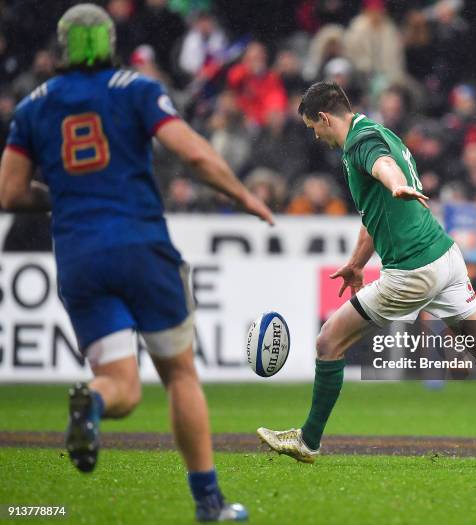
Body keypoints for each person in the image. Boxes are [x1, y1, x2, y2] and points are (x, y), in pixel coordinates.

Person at [0, 4, 274, 522]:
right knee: (179, 374)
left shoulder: (32, 107)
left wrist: (63, 195)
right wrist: (243, 196)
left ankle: (94, 403)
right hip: (142, 247)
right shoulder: (137, 89)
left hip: (79, 256)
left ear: (61, 46)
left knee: (120, 387)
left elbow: (10, 192)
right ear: (108, 42)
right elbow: (193, 153)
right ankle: (209, 504)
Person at [257, 81, 476, 465]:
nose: (315, 135)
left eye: (311, 126)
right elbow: (373, 213)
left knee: (328, 343)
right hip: (445, 256)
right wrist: (356, 263)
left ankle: (309, 439)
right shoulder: (381, 131)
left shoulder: (359, 143)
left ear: (323, 117)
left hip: (412, 269)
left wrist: (396, 183)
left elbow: (383, 167)